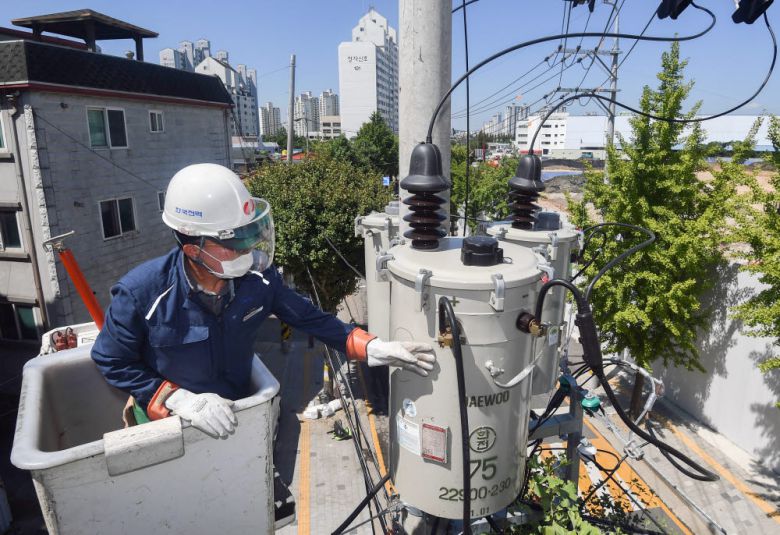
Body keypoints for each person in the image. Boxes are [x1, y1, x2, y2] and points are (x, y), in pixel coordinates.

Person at [91, 163, 436, 438]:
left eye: (250, 235)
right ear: (193, 248)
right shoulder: (141, 294)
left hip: (239, 414)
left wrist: (371, 346)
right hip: (168, 426)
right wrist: (176, 398)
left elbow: (311, 318)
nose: (248, 250)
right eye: (234, 242)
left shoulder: (257, 281)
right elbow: (112, 360)